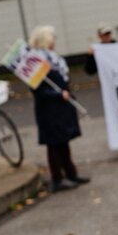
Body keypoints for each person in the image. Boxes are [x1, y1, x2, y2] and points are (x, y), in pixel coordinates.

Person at [28, 25, 89, 192]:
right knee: (54, 145)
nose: (54, 41)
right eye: (52, 38)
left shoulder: (52, 59)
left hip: (60, 109)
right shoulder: (37, 63)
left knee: (63, 142)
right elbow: (38, 90)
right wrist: (58, 94)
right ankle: (57, 179)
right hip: (50, 111)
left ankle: (70, 173)